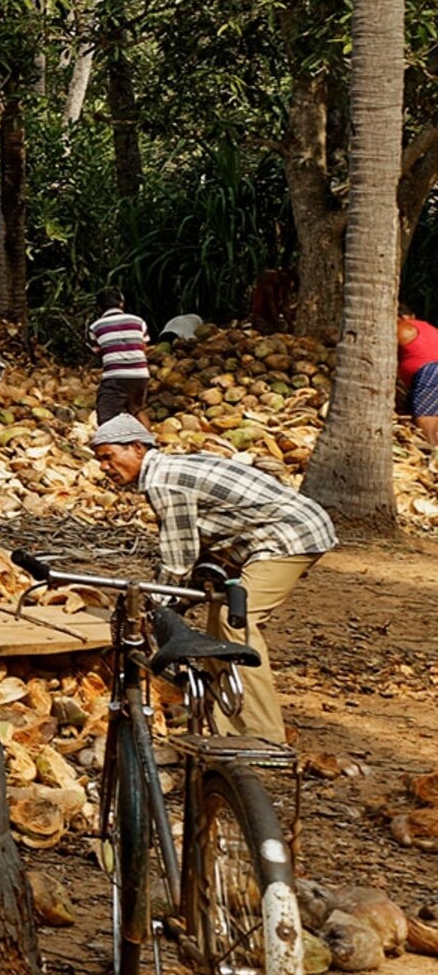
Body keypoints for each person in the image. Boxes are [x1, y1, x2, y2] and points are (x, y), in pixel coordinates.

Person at [90, 414, 335, 742]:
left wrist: (154, 613)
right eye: (100, 460)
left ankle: (263, 735)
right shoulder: (169, 470)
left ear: (137, 447)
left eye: (109, 457)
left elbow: (178, 562)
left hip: (291, 536)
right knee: (218, 623)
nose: (104, 467)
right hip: (271, 533)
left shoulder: (163, 482)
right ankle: (227, 723)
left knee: (236, 622)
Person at [89, 292, 154, 424]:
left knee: (106, 414)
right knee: (136, 409)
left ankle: (115, 442)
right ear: (121, 304)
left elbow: (100, 353)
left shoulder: (95, 327)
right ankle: (148, 442)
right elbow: (143, 347)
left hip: (116, 376)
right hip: (141, 374)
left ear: (98, 307)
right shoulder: (138, 321)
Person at [398, 308, 438, 449]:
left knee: (426, 414)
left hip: (431, 372)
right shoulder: (428, 327)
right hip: (430, 372)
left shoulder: (403, 326)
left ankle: (434, 452)